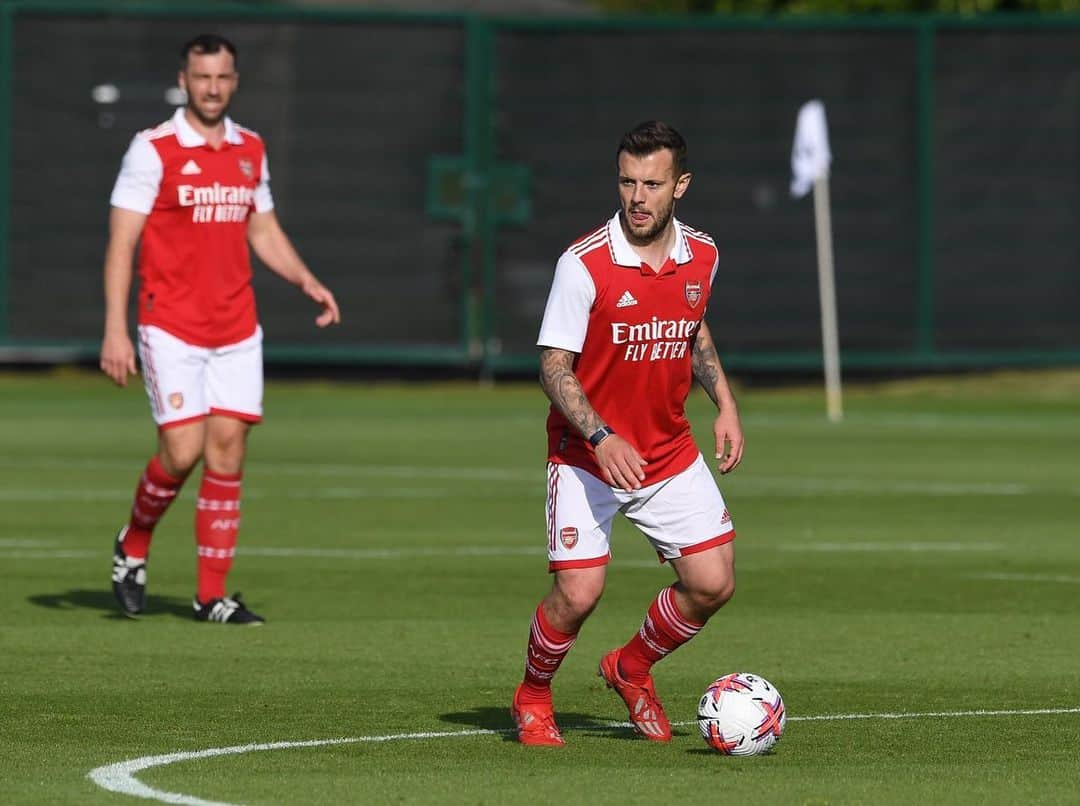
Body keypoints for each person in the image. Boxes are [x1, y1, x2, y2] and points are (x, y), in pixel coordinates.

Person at [511, 120, 744, 745]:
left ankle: (630, 666)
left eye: (652, 183)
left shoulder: (705, 255)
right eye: (627, 182)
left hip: (667, 449)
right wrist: (601, 436)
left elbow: (693, 328)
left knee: (713, 581)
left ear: (681, 186)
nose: (637, 197)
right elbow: (553, 367)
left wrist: (723, 400)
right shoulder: (583, 264)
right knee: (579, 592)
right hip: (587, 457)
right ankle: (533, 693)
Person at [99, 34, 340, 625]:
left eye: (223, 77)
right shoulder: (152, 149)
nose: (212, 88)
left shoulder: (249, 149)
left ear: (235, 80)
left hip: (235, 326)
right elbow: (122, 244)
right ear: (183, 79)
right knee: (181, 451)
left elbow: (263, 230)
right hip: (171, 326)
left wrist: (305, 279)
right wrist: (114, 329)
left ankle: (212, 596)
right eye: (202, 77)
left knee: (227, 453)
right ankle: (133, 542)